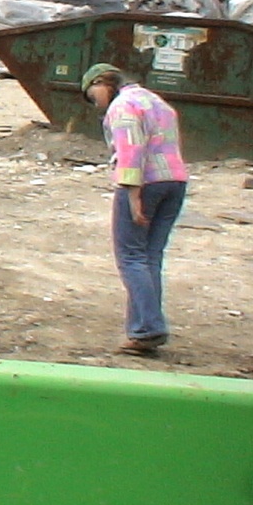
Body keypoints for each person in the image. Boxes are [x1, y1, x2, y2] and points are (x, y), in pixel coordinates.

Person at [81, 63, 189, 356]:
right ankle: (141, 329)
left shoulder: (123, 106)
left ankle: (148, 328)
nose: (95, 104)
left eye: (92, 96)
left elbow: (131, 152)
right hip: (175, 181)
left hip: (146, 183)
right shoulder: (156, 101)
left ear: (101, 83)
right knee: (150, 257)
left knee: (131, 256)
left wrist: (132, 195)